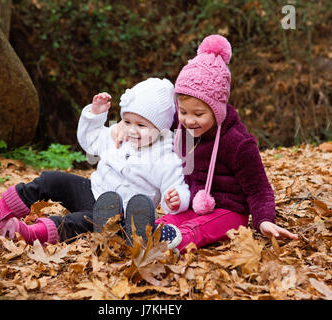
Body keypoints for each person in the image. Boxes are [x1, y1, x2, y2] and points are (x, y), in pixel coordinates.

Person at [112, 35, 298, 253]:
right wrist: (122, 126)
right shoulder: (180, 127)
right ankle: (140, 233)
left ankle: (168, 244)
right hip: (193, 204)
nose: (189, 120)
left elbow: (259, 188)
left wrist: (264, 220)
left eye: (198, 114)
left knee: (195, 229)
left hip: (229, 212)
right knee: (170, 219)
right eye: (182, 112)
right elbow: (150, 123)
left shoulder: (238, 143)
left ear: (217, 109)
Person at [0, 78, 190, 245]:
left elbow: (175, 186)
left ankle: (34, 234)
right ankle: (3, 210)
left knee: (79, 222)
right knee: (52, 179)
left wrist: (176, 199)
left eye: (141, 126)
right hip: (92, 191)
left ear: (160, 128)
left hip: (116, 215)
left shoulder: (166, 157)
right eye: (127, 120)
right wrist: (95, 116)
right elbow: (91, 141)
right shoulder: (119, 134)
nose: (132, 129)